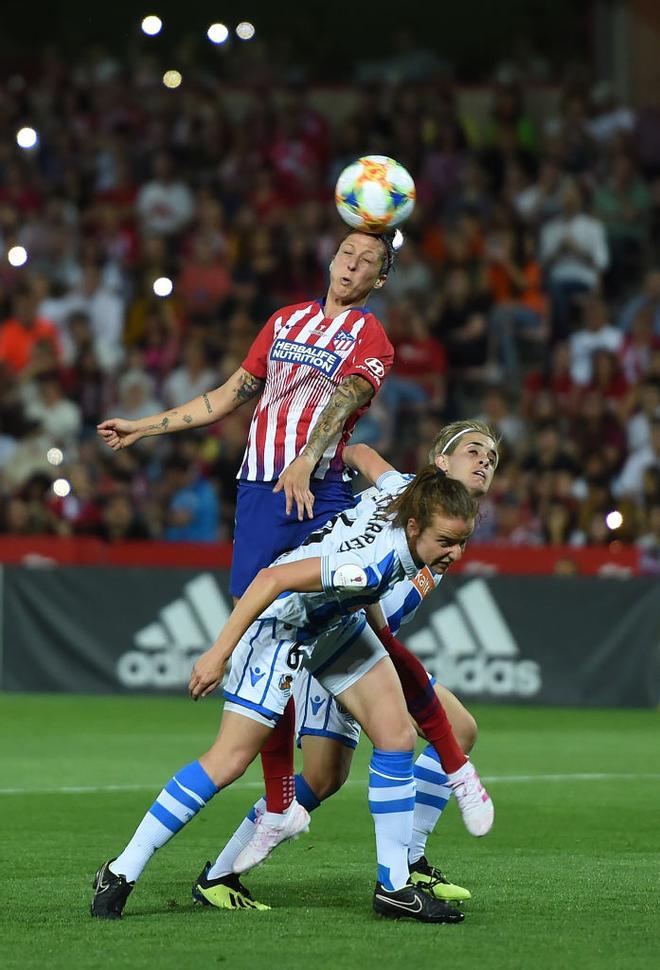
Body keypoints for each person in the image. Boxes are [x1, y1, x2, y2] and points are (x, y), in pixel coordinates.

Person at [91, 469, 478, 924]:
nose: (455, 554)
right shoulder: (368, 565)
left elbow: (360, 454)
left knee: (395, 736)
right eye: (447, 542)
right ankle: (120, 871)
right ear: (415, 527)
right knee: (229, 760)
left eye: (462, 542)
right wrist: (219, 652)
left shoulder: (402, 493)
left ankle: (394, 887)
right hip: (281, 626)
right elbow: (272, 580)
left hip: (336, 623)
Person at [203, 421, 499, 909]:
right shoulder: (407, 496)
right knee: (336, 771)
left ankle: (408, 864)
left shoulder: (449, 527)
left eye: (492, 456)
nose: (486, 461)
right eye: (474, 451)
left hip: (367, 643)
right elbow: (358, 450)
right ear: (440, 462)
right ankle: (221, 873)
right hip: (338, 638)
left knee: (443, 733)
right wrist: (334, 508)